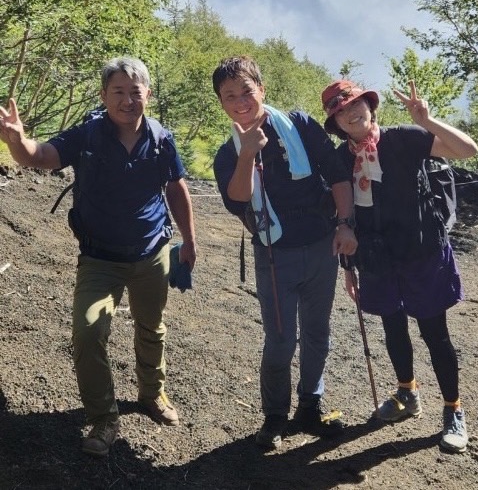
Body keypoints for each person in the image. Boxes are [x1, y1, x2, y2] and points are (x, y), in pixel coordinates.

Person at [0, 57, 197, 457]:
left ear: (148, 95)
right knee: (88, 333)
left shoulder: (161, 138)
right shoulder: (87, 134)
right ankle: (104, 417)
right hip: (99, 258)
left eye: (135, 92)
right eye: (118, 91)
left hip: (152, 253)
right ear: (104, 95)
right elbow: (41, 156)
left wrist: (190, 241)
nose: (127, 100)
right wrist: (18, 142)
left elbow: (176, 188)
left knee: (151, 326)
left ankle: (152, 393)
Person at [321, 79, 478, 453]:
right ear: (336, 123)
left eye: (356, 104)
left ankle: (453, 409)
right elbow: (344, 218)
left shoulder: (404, 138)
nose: (351, 113)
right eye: (341, 111)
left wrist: (427, 121)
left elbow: (467, 150)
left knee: (434, 332)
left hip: (422, 253)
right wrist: (348, 268)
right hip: (376, 259)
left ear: (370, 106)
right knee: (393, 327)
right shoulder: (340, 159)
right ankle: (407, 393)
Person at [212, 56, 358, 450]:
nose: (240, 101)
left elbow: (337, 174)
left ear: (262, 89)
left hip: (322, 244)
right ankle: (275, 415)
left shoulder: (299, 125)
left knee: (317, 332)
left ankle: (310, 405)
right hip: (274, 255)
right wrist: (247, 153)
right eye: (230, 96)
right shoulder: (227, 154)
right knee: (280, 340)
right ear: (222, 103)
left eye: (246, 91)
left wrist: (346, 224)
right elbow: (237, 200)